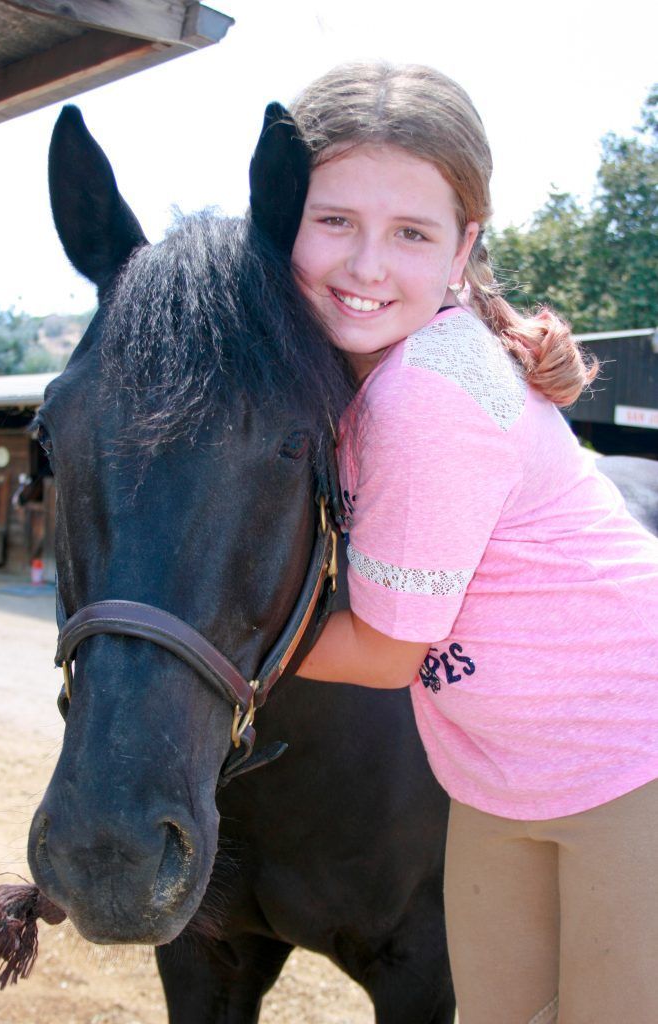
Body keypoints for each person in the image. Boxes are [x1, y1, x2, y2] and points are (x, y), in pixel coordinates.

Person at [288, 63, 658, 1024]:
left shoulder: (423, 393)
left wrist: (212, 637)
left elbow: (385, 653)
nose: (366, 265)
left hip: (632, 754)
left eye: (410, 233)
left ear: (462, 248)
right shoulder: (363, 375)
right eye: (334, 220)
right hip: (501, 773)